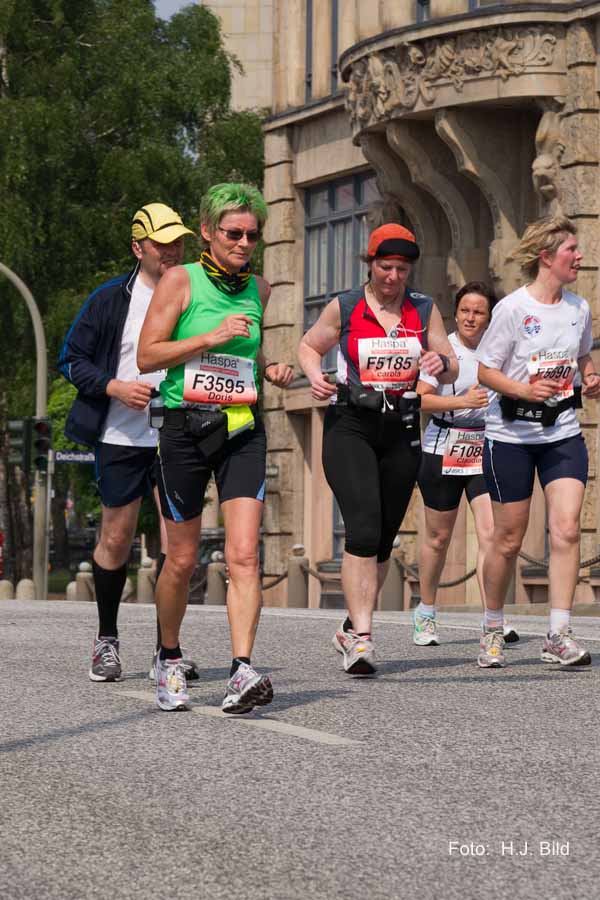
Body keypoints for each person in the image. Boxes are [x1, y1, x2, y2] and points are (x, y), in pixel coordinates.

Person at [137, 183, 293, 712]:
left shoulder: (261, 289)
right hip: (184, 429)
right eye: (234, 233)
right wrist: (209, 337)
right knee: (180, 559)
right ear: (207, 231)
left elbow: (249, 346)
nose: (244, 243)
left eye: (253, 234)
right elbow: (147, 355)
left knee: (245, 555)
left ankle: (241, 671)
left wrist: (268, 364)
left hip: (242, 429)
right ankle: (169, 654)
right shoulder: (182, 281)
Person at [297, 223, 458, 676]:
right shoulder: (346, 306)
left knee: (384, 539)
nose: (393, 276)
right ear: (370, 264)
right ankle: (363, 640)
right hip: (351, 425)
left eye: (401, 269)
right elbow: (309, 346)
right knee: (363, 528)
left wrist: (438, 362)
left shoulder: (423, 309)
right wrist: (314, 375)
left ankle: (351, 625)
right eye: (385, 267)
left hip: (401, 426)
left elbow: (451, 363)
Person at [59, 202, 199, 683]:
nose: (172, 251)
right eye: (162, 243)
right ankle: (106, 640)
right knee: (116, 537)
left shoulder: (193, 293)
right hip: (121, 434)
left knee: (176, 544)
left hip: (177, 433)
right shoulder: (109, 299)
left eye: (178, 242)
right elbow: (71, 360)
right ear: (138, 248)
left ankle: (168, 649)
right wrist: (115, 387)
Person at [476, 215, 600, 668]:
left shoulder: (578, 308)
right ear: (547, 257)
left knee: (567, 529)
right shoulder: (512, 309)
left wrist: (589, 376)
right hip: (509, 436)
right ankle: (492, 625)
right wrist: (525, 390)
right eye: (572, 249)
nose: (580, 257)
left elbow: (582, 353)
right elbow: (485, 371)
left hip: (562, 432)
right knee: (508, 540)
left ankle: (558, 633)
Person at [415, 281, 519, 646]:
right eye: (465, 311)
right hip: (444, 445)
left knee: (492, 532)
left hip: (485, 446)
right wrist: (461, 403)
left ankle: (494, 617)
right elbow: (421, 401)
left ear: (490, 317)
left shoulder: (499, 352)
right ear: (455, 314)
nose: (471, 318)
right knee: (438, 537)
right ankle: (425, 612)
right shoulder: (444, 352)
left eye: (479, 312)